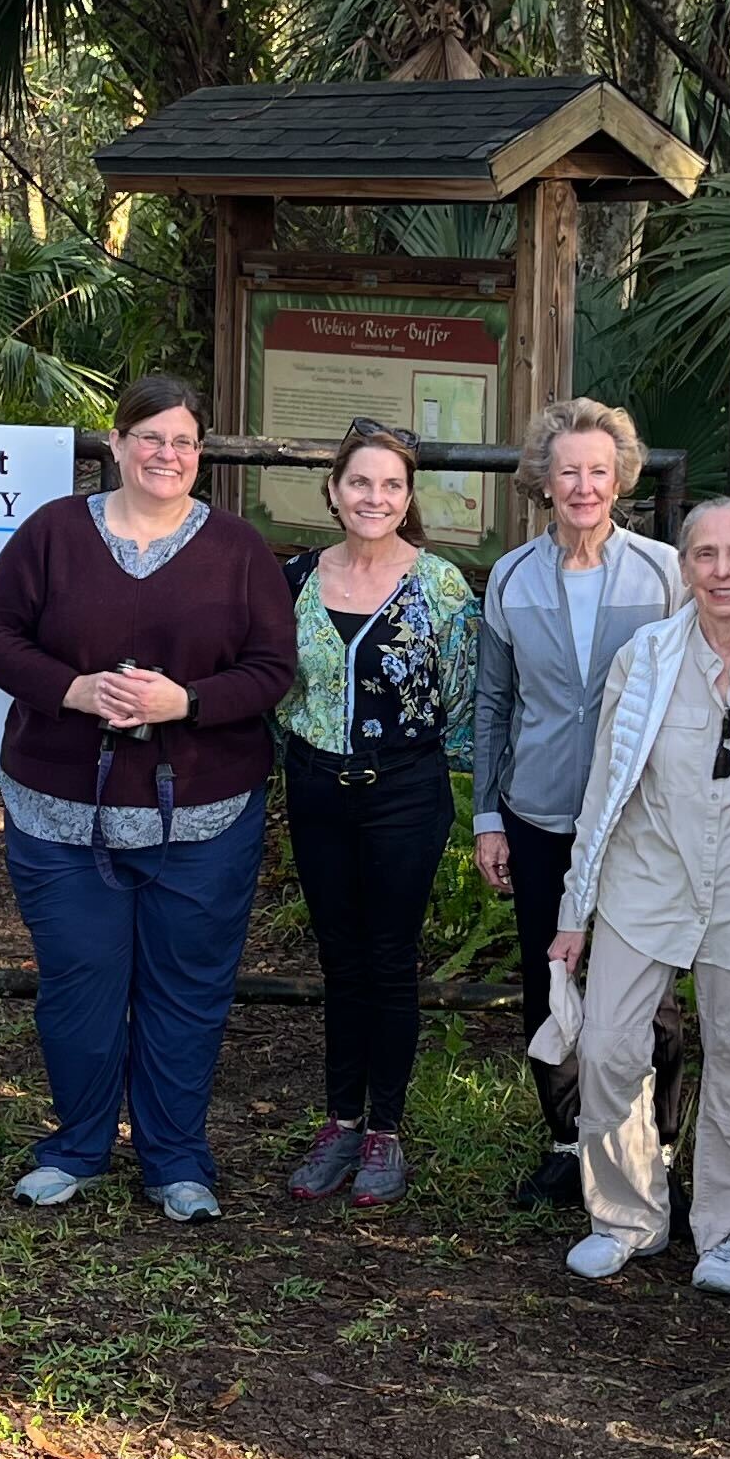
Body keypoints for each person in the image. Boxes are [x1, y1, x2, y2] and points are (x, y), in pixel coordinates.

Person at [0, 375, 298, 1220]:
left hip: (205, 814)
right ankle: (76, 1146)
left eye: (185, 441)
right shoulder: (51, 535)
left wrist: (183, 702)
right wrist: (72, 690)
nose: (167, 455)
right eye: (150, 437)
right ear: (114, 444)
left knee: (186, 987)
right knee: (80, 982)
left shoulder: (238, 550)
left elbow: (271, 671)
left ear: (202, 455)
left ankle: (175, 1159)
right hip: (59, 810)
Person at [548, 497, 730, 1292]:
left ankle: (729, 1229)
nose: (723, 571)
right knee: (610, 1046)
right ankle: (625, 1215)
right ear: (684, 567)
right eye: (705, 555)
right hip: (645, 885)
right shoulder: (644, 656)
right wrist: (574, 910)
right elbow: (604, 790)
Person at [471, 398, 683, 1209]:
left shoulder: (665, 573)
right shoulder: (513, 577)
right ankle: (568, 1141)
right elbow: (494, 704)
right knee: (551, 981)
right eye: (569, 471)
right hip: (538, 813)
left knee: (650, 990)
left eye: (599, 470)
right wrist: (489, 815)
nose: (584, 486)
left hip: (640, 818)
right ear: (545, 481)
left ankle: (655, 1148)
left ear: (621, 477)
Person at [277, 421, 478, 1211]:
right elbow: (274, 685)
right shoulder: (294, 577)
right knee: (338, 956)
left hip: (404, 789)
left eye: (391, 485)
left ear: (407, 498)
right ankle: (339, 1121)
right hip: (317, 786)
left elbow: (463, 700)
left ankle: (385, 1131)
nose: (375, 497)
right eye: (360, 482)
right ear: (333, 490)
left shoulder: (441, 585)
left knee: (390, 957)